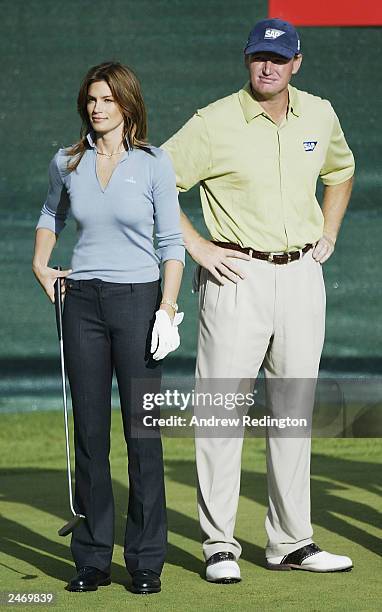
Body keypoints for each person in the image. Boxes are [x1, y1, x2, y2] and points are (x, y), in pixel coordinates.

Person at [162, 18, 355, 582]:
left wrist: (331, 234)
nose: (266, 66)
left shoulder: (319, 113)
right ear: (247, 61)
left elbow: (341, 171)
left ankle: (291, 541)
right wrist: (196, 245)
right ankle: (219, 544)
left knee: (293, 413)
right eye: (257, 58)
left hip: (301, 276)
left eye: (278, 58)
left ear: (297, 62)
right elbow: (154, 182)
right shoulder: (213, 122)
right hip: (234, 277)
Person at [32, 62, 185, 594]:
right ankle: (92, 558)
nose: (96, 108)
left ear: (126, 104)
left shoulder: (153, 164)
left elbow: (172, 243)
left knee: (142, 435)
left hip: (139, 302)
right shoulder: (66, 162)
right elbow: (50, 214)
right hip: (83, 303)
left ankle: (145, 559)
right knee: (91, 435)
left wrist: (166, 308)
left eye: (105, 99)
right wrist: (40, 263)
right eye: (90, 100)